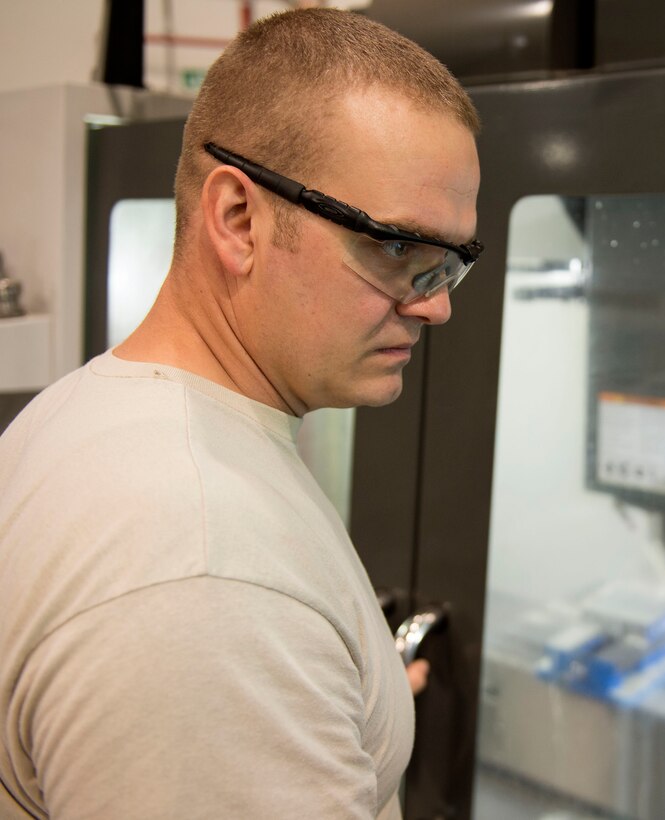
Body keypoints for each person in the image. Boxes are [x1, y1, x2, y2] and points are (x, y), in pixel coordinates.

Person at [0, 8, 481, 819]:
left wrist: (308, 708)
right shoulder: (204, 573)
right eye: (398, 249)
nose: (434, 309)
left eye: (451, 263)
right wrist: (253, 668)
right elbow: (210, 631)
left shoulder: (90, 414)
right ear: (238, 219)